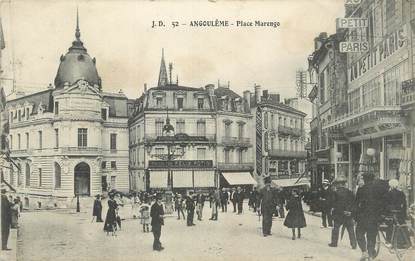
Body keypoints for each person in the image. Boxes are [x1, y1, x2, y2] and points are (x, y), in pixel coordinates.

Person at [355, 173, 388, 260]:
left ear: (365, 180)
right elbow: (384, 203)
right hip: (374, 217)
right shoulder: (379, 190)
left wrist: (355, 216)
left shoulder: (361, 189)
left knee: (359, 234)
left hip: (362, 217)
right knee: (371, 236)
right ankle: (370, 255)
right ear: (373, 180)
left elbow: (356, 204)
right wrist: (381, 215)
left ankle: (364, 252)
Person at [328, 176, 357, 249]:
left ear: (339, 184)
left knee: (336, 229)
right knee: (351, 230)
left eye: (336, 184)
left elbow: (333, 204)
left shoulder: (335, 193)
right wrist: (350, 211)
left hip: (339, 214)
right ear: (344, 184)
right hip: (348, 214)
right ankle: (354, 244)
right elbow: (354, 203)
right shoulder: (350, 192)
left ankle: (334, 243)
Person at [385, 179, 408, 247]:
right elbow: (404, 204)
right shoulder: (401, 193)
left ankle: (389, 242)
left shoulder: (388, 193)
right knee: (402, 226)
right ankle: (403, 243)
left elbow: (386, 205)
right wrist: (404, 214)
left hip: (392, 213)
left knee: (390, 226)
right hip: (400, 213)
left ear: (391, 185)